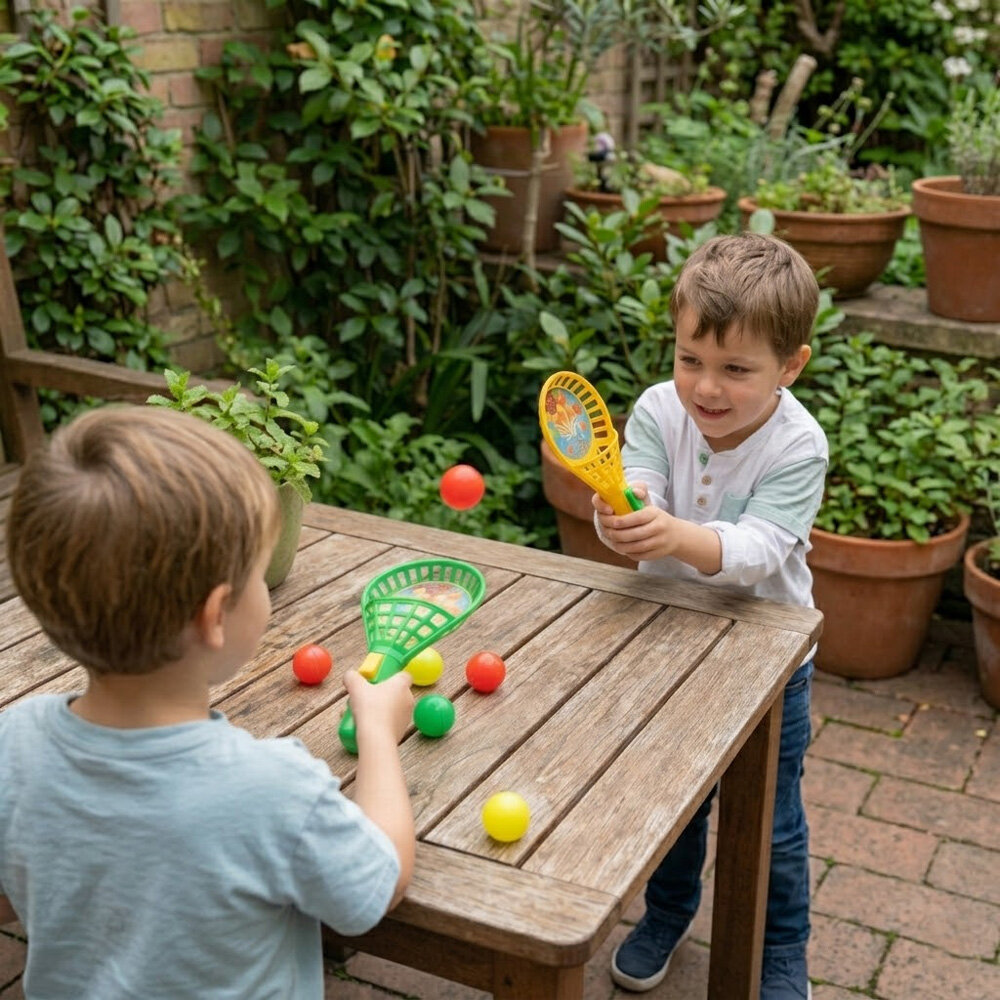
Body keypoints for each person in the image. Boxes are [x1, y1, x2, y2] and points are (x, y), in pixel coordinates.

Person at [0, 406, 415, 1000]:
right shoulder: (271, 786)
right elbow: (379, 885)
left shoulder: (13, 743)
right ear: (215, 614)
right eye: (257, 574)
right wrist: (378, 732)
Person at [596, 233, 826, 999]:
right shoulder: (659, 410)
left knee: (772, 825)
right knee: (674, 802)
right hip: (667, 640)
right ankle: (668, 913)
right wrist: (620, 520)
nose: (707, 388)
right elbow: (635, 493)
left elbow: (760, 549)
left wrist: (676, 536)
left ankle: (781, 945)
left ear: (790, 366)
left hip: (770, 663)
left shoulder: (799, 446)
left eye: (736, 369)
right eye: (691, 359)